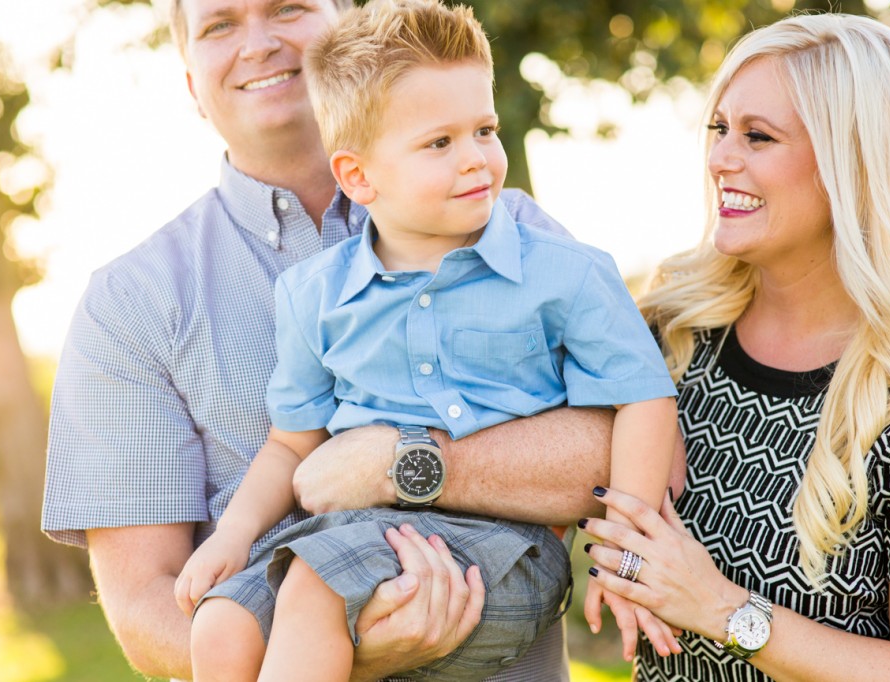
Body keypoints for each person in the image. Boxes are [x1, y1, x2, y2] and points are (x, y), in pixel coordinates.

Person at [39, 0, 663, 680]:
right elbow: (148, 607)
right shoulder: (129, 304)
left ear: (345, 25)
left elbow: (636, 435)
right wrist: (351, 651)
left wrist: (405, 464)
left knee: (310, 589)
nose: (258, 44)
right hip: (300, 598)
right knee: (223, 622)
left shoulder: (516, 233)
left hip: (491, 582)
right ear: (190, 80)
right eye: (220, 25)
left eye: (289, 8)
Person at [576, 12, 890, 682]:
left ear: (854, 164)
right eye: (720, 128)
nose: (721, 158)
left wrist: (723, 609)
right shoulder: (668, 335)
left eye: (758, 136)